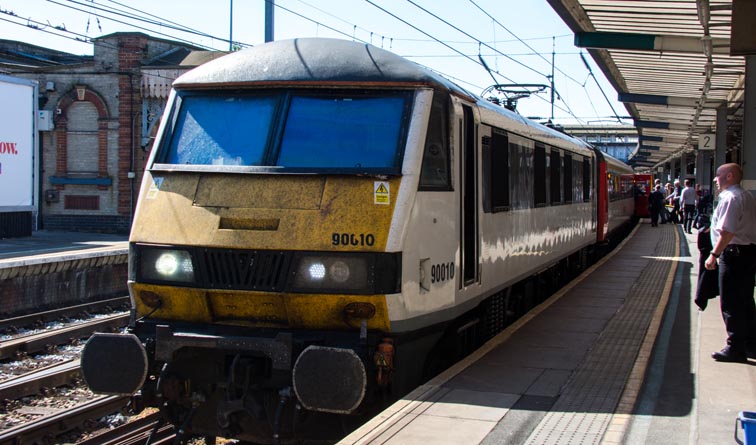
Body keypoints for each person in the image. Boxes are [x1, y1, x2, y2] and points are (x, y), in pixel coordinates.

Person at [704, 163, 756, 362]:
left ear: (730, 176)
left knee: (731, 302)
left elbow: (727, 231)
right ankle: (751, 344)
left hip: (733, 254)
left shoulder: (731, 198)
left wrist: (714, 255)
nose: (715, 180)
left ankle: (735, 347)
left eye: (718, 176)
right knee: (745, 301)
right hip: (748, 252)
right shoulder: (747, 196)